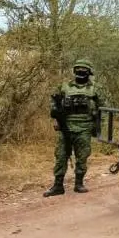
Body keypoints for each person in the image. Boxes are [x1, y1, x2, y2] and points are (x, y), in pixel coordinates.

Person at [45, 58, 108, 197]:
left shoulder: (95, 89)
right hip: (66, 127)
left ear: (89, 72)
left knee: (82, 156)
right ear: (74, 70)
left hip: (85, 127)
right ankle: (57, 186)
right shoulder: (64, 86)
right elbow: (54, 103)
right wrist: (56, 119)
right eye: (78, 69)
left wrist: (98, 126)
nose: (80, 72)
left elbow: (103, 108)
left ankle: (79, 183)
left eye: (84, 70)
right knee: (61, 156)